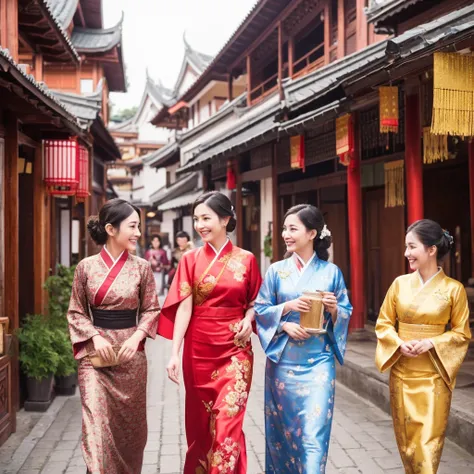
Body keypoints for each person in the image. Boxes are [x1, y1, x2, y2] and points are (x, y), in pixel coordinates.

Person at [158, 191, 262, 474]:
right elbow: (183, 308)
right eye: (196, 219)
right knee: (201, 428)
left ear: (226, 219)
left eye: (206, 218)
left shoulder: (247, 259)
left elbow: (256, 302)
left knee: (228, 423)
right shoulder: (190, 260)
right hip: (198, 352)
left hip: (235, 350)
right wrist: (174, 354)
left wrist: (249, 318)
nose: (200, 225)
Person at [254, 204, 352, 473]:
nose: (286, 234)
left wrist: (333, 308)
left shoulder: (331, 273)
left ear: (312, 233)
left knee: (313, 437)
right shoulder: (276, 271)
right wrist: (285, 320)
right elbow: (260, 310)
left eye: (292, 228)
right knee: (284, 435)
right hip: (283, 363)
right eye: (285, 228)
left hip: (318, 362)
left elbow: (345, 311)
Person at [67, 198, 160, 474]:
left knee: (130, 435)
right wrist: (94, 337)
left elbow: (152, 309)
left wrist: (136, 338)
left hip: (131, 358)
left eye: (139, 227)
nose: (138, 234)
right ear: (110, 228)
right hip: (95, 359)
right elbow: (76, 312)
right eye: (133, 226)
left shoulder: (142, 267)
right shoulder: (85, 267)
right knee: (95, 428)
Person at [375, 219, 471, 474]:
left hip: (433, 377)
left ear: (431, 249)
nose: (406, 253)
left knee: (427, 446)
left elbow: (462, 334)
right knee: (407, 446)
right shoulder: (399, 284)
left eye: (412, 246)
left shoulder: (454, 289)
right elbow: (383, 324)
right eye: (406, 247)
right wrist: (397, 343)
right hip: (402, 374)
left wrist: (432, 342)